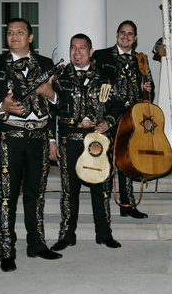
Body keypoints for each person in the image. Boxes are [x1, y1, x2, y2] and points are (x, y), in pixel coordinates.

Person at [0, 17, 62, 272]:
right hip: (8, 138)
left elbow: (63, 104)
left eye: (20, 32)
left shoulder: (47, 65)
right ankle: (6, 250)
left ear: (30, 37)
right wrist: (1, 106)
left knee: (36, 194)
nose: (14, 36)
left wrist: (51, 94)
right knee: (7, 197)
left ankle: (36, 244)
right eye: (10, 32)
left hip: (39, 139)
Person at [49, 34, 124, 252]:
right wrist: (52, 141)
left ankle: (104, 234)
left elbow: (118, 103)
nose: (77, 52)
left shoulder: (105, 77)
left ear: (91, 52)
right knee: (68, 191)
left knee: (100, 189)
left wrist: (108, 122)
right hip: (68, 143)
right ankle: (66, 235)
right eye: (73, 48)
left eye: (82, 48)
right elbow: (50, 111)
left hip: (97, 143)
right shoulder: (59, 78)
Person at [93, 20, 153, 219]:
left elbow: (149, 90)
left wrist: (148, 89)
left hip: (132, 118)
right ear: (117, 34)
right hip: (107, 117)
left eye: (130, 34)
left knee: (127, 160)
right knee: (106, 160)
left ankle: (127, 205)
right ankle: (103, 205)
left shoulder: (141, 59)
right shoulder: (101, 56)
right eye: (123, 32)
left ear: (135, 38)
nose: (126, 36)